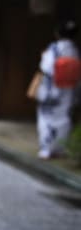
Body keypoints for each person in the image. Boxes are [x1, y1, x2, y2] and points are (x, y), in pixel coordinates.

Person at [36, 19, 80, 160]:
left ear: (57, 33)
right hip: (69, 90)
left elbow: (46, 68)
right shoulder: (75, 50)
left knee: (47, 119)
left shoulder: (54, 48)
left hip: (52, 89)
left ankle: (47, 149)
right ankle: (60, 149)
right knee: (64, 119)